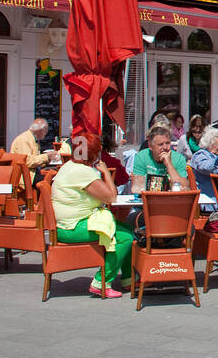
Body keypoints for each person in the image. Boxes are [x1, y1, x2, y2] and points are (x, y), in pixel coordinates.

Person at [50, 132, 128, 299]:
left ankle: (128, 279)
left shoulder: (68, 166)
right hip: (72, 227)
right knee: (125, 236)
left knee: (126, 229)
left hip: (65, 225)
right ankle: (101, 283)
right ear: (93, 154)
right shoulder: (82, 172)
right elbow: (111, 197)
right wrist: (106, 173)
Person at [131, 126, 190, 193]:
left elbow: (183, 188)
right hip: (148, 200)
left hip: (172, 200)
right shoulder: (142, 156)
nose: (165, 147)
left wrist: (169, 165)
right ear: (150, 146)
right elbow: (137, 187)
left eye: (167, 143)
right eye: (160, 144)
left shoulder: (179, 158)